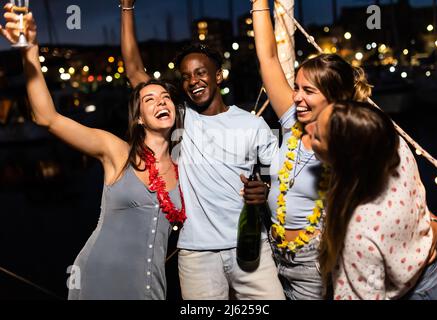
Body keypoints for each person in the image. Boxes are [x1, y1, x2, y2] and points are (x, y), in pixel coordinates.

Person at [1, 5, 185, 300]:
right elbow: (47, 118)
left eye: (166, 97)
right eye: (149, 98)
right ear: (139, 117)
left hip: (151, 289)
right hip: (100, 280)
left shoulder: (185, 169)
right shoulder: (117, 151)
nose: (160, 101)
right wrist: (29, 51)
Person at [120, 0, 285, 299]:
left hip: (250, 247)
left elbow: (283, 176)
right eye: (185, 76)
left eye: (200, 73)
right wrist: (126, 8)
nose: (193, 81)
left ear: (218, 76)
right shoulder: (180, 118)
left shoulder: (251, 124)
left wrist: (265, 188)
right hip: (196, 255)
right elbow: (134, 71)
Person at [252, 0, 373, 299]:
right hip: (271, 254)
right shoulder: (293, 120)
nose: (297, 98)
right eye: (296, 87)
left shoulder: (347, 144)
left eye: (308, 91)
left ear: (334, 97)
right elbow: (268, 59)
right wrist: (258, 2)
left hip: (313, 265)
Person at [306, 101, 437, 300]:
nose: (307, 128)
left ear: (342, 159)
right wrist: (435, 225)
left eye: (317, 136)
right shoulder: (396, 148)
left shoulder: (358, 228)